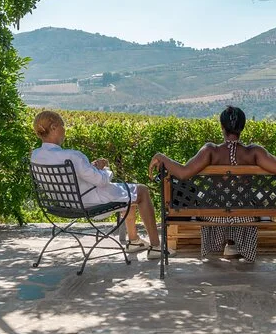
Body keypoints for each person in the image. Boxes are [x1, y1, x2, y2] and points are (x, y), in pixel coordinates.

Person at [148, 106, 276, 262]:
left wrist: (161, 157)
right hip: (246, 214)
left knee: (215, 200)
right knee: (246, 201)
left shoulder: (210, 151)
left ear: (222, 127)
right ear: (242, 127)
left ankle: (227, 244)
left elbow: (182, 173)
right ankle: (234, 245)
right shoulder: (254, 152)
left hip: (213, 214)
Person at [31, 111, 172, 260]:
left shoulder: (36, 155)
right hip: (89, 202)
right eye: (62, 126)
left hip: (64, 203)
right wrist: (105, 168)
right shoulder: (72, 156)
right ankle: (156, 247)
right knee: (141, 191)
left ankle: (134, 241)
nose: (64, 130)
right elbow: (102, 181)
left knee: (126, 192)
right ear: (54, 127)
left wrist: (91, 167)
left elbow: (71, 176)